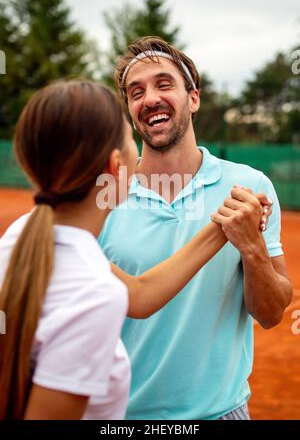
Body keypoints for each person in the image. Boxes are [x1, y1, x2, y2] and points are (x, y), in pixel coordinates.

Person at [0, 80, 269, 420]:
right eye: (129, 139)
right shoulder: (95, 295)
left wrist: (224, 226)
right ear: (116, 166)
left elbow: (140, 295)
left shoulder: (20, 238)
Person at [99, 36, 293, 420]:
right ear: (131, 113)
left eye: (164, 84)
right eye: (135, 92)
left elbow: (271, 314)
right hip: (123, 418)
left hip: (223, 412)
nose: (149, 98)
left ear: (193, 98)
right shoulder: (105, 195)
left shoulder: (250, 187)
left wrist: (252, 247)